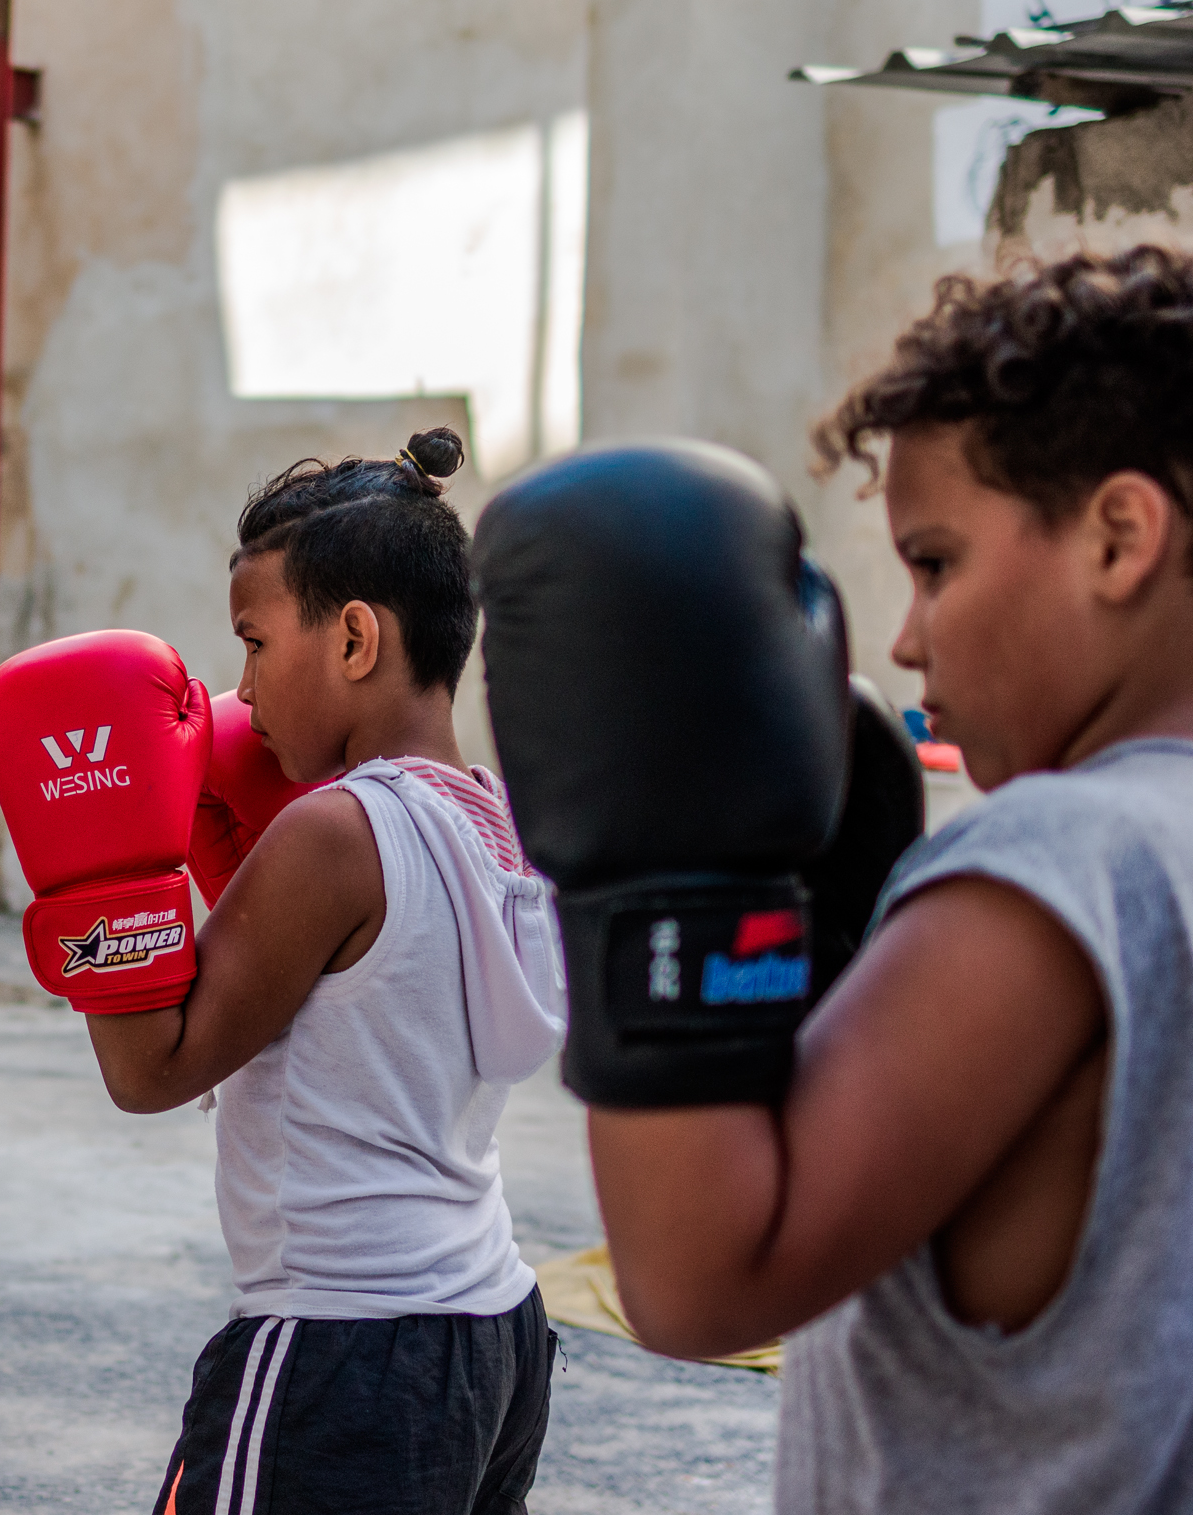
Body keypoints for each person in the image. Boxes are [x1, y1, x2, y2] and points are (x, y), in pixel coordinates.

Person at [474, 246, 1193, 1514]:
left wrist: (661, 878)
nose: (908, 635)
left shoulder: (1059, 864)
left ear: (1119, 536)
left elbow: (701, 1282)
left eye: (936, 562)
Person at [0, 433, 566, 1515]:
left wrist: (102, 875)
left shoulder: (333, 838)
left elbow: (151, 1070)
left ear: (353, 638)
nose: (240, 684)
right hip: (493, 1329)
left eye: (254, 642)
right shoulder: (494, 824)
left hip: (342, 1350)